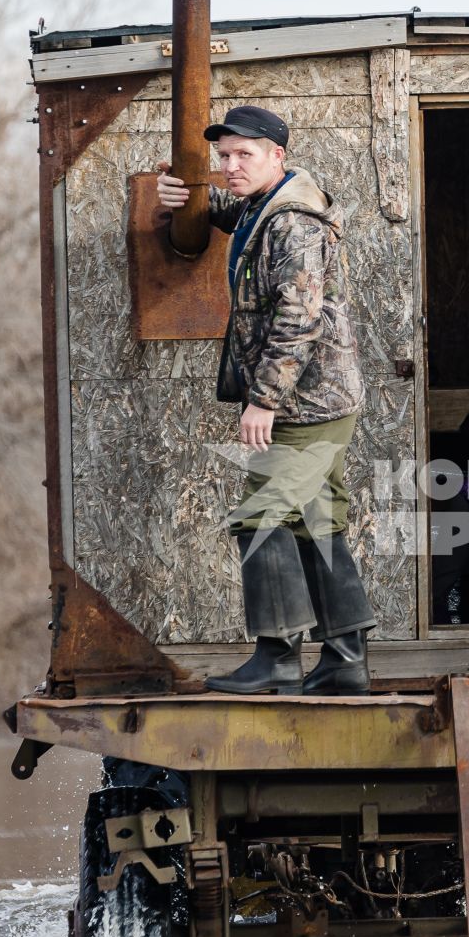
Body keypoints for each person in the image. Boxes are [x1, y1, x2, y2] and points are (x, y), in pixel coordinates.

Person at [154, 105, 375, 693]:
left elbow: (298, 317)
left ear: (278, 155)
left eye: (243, 155)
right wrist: (183, 198)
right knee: (316, 522)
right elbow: (227, 217)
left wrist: (264, 400)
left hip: (308, 402)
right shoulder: (263, 208)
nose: (230, 166)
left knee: (261, 515)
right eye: (223, 157)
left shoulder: (294, 223)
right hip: (318, 399)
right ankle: (345, 662)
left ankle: (277, 658)